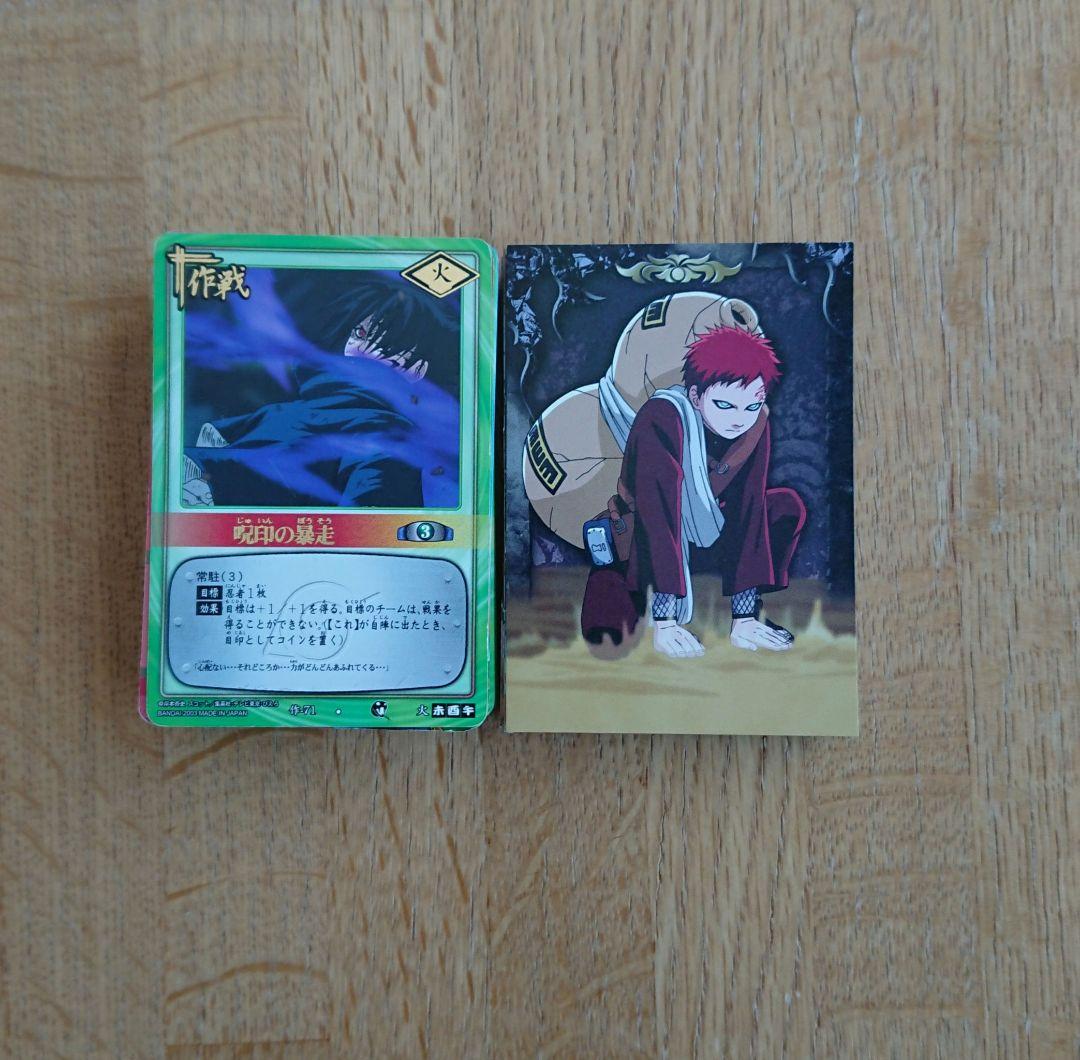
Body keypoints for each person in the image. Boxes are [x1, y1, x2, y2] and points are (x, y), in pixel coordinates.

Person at [580, 324, 806, 658]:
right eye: (725, 405)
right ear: (697, 397)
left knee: (784, 506)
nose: (738, 419)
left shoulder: (755, 425)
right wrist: (666, 620)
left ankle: (746, 616)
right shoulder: (663, 417)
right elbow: (659, 514)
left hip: (708, 533)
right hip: (642, 543)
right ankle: (643, 603)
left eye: (751, 406)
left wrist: (744, 616)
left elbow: (750, 507)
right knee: (608, 641)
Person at [182, 271, 459, 508]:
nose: (363, 349)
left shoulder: (371, 421)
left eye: (384, 348)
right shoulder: (382, 426)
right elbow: (378, 499)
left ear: (415, 369)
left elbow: (376, 484)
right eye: (362, 335)